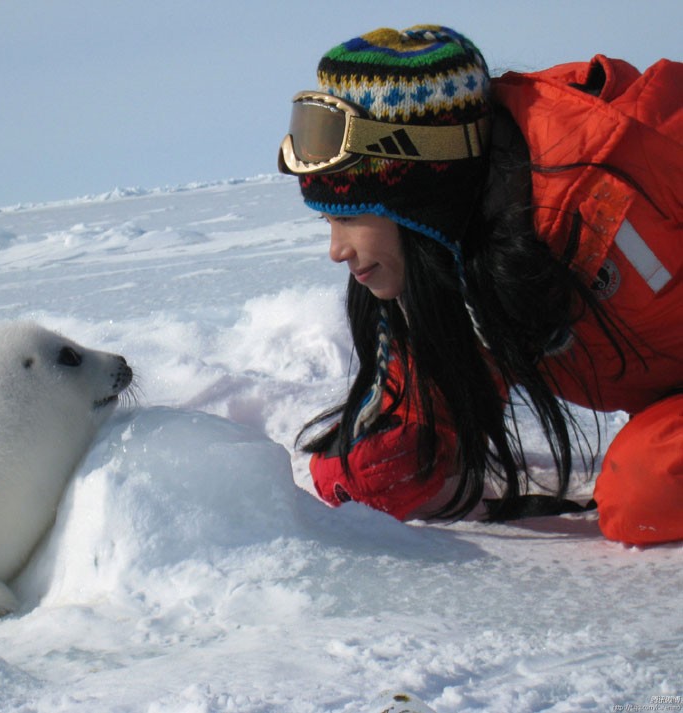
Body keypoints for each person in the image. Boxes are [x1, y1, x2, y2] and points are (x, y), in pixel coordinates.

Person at [277, 24, 682, 545]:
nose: (337, 251)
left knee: (648, 492)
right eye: (327, 223)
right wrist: (386, 457)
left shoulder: (620, 179)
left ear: (420, 196)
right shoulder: (472, 244)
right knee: (368, 472)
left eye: (351, 218)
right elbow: (426, 405)